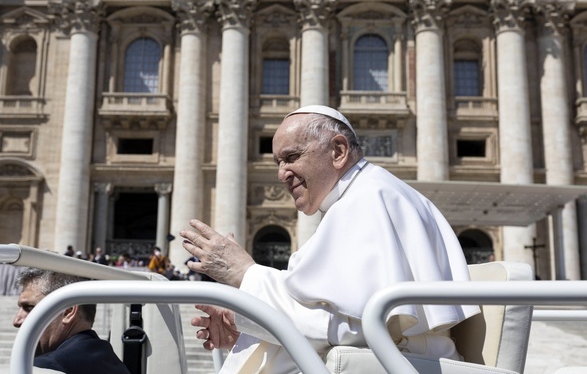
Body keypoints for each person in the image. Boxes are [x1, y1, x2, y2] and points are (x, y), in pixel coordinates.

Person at [179, 105, 480, 373]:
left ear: (338, 151)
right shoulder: (361, 195)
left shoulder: (370, 198)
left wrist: (244, 273)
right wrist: (247, 321)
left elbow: (355, 329)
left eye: (291, 157)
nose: (282, 174)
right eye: (277, 162)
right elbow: (336, 320)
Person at [13, 268, 130, 374]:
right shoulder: (110, 360)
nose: (17, 321)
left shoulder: (46, 368)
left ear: (68, 312)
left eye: (29, 308)